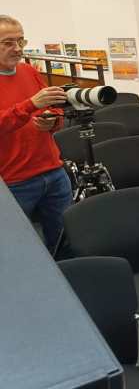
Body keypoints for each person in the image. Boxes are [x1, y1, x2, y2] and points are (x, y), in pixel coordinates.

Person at [0, 15, 73, 253]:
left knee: (65, 243)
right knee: (18, 250)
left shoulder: (29, 71)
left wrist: (52, 121)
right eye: (8, 43)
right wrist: (30, 105)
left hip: (53, 172)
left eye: (21, 41)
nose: (17, 48)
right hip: (12, 182)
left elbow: (52, 108)